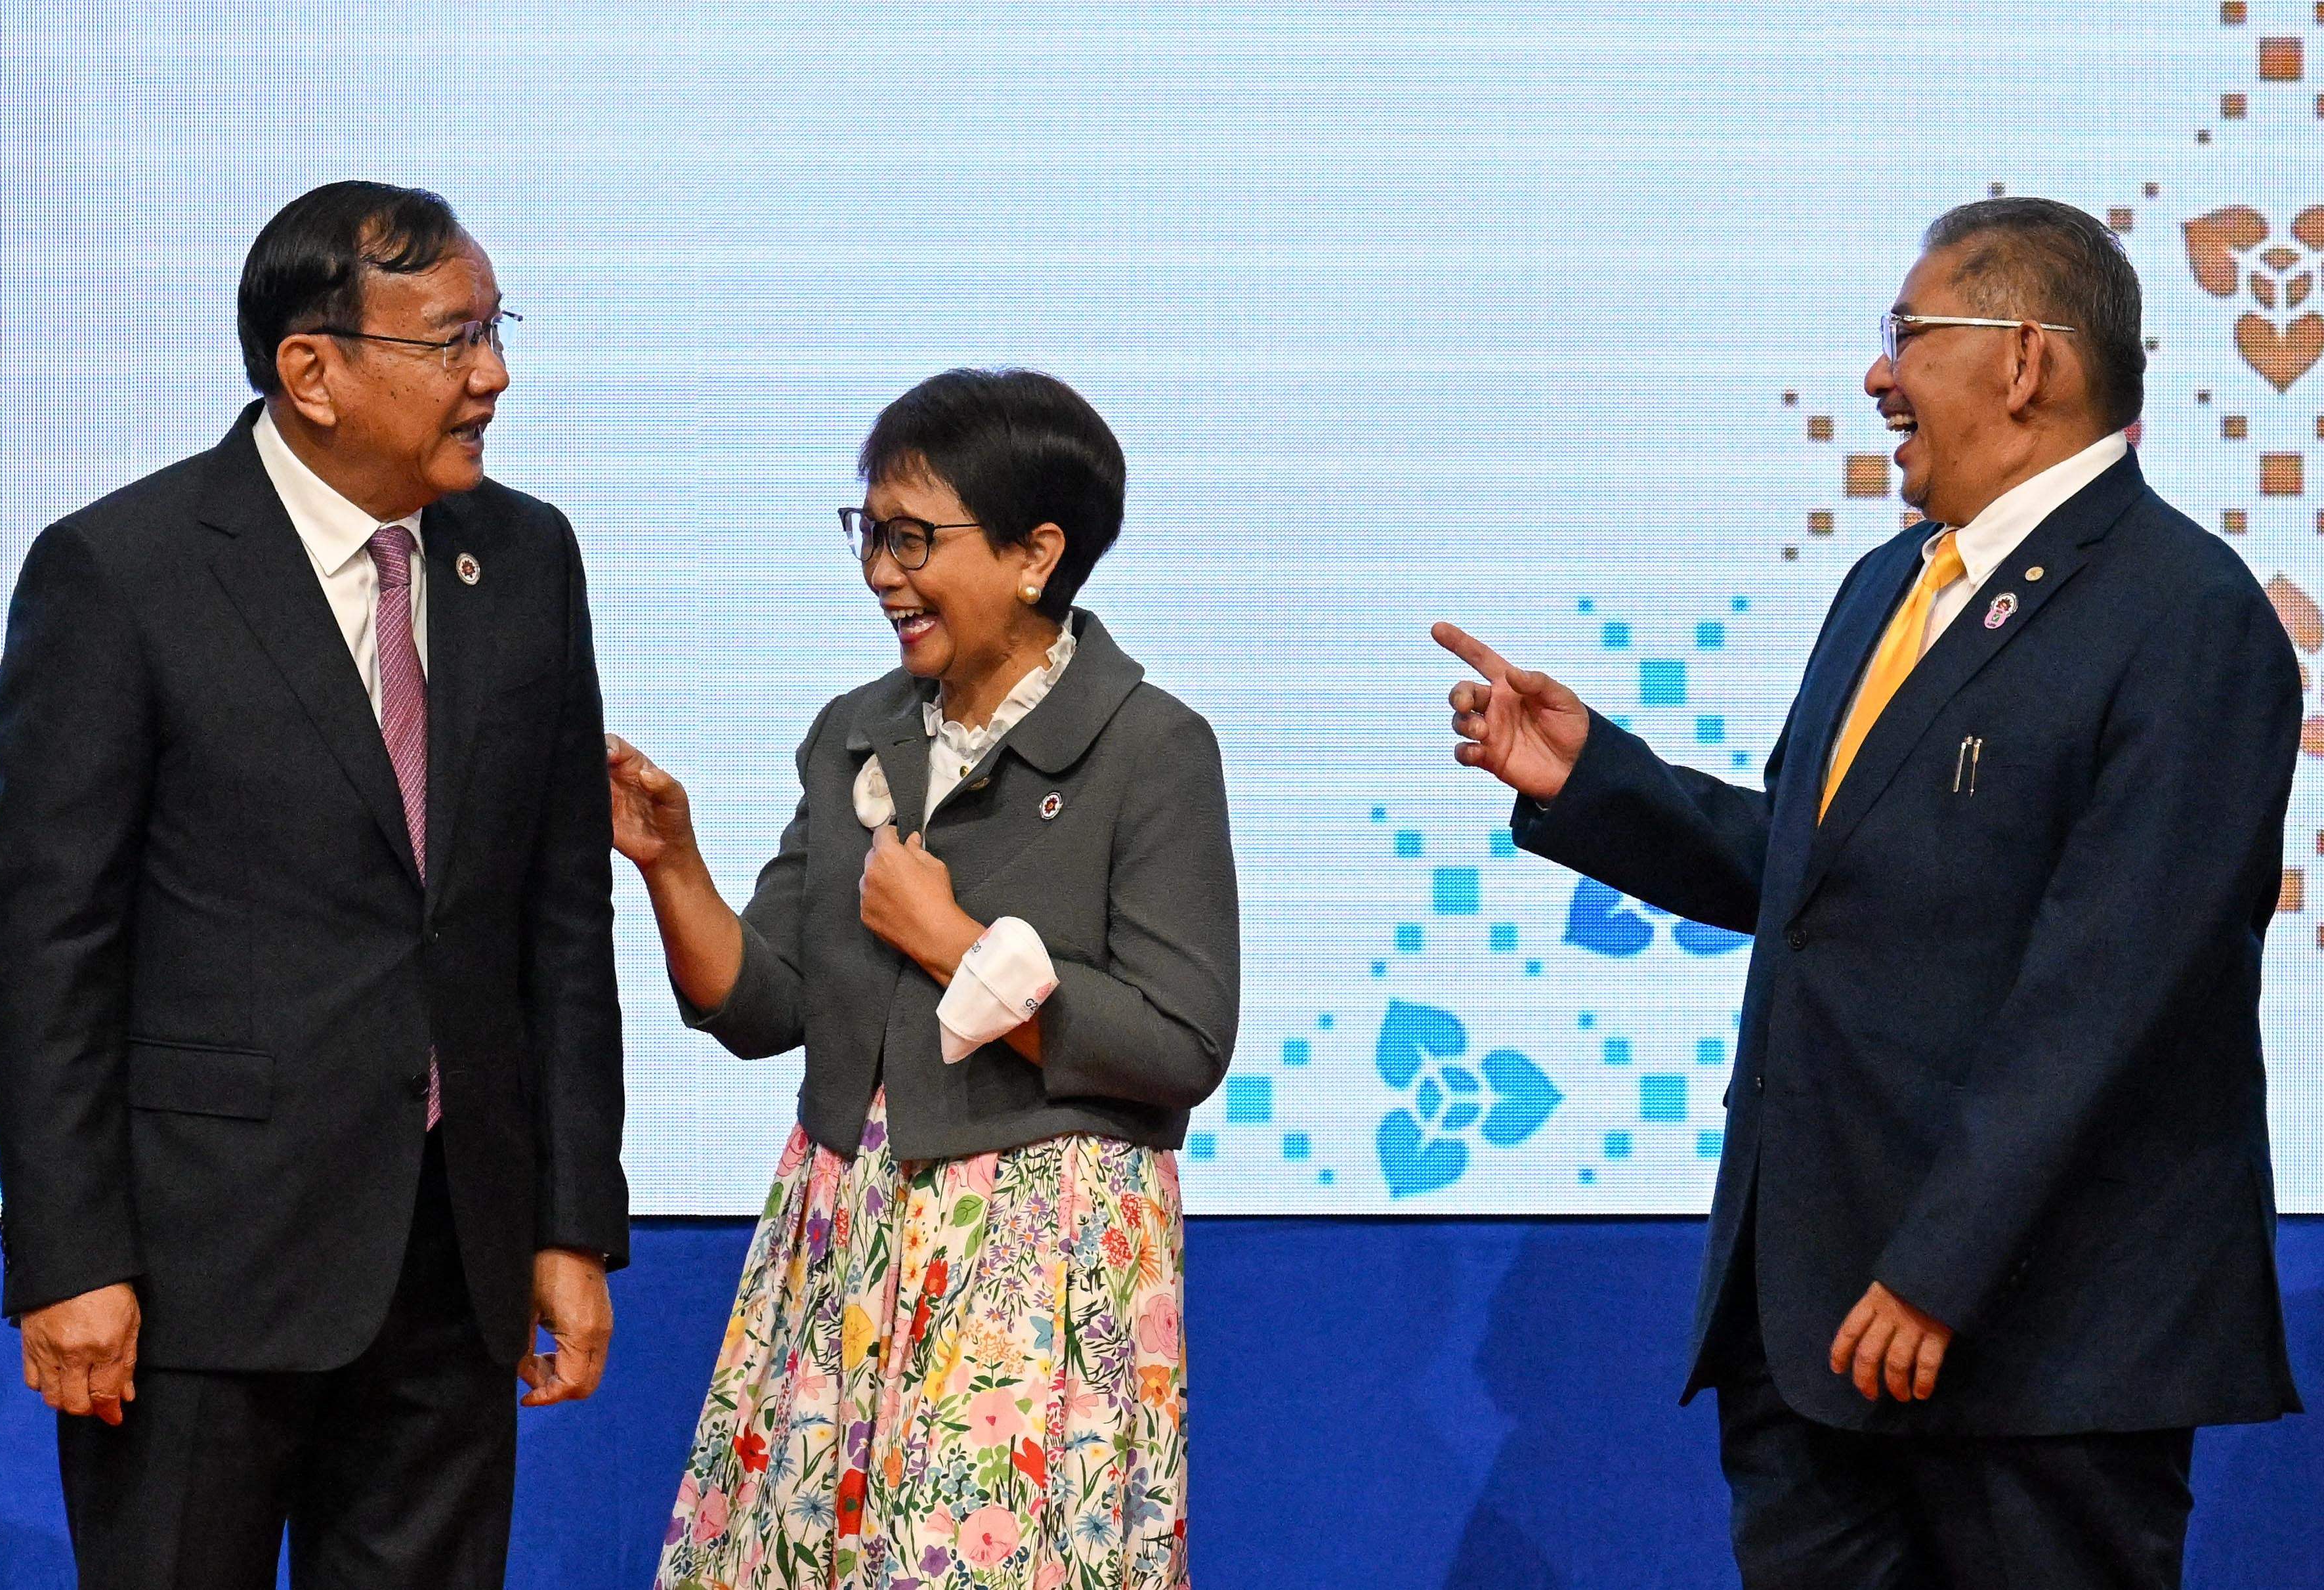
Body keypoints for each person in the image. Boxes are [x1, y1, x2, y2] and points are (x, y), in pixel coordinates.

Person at [1438, 197, 2302, 1588]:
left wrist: (1937, 1269)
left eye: (1906, 334)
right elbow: (1812, 873)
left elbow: (2115, 989)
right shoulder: (1882, 586)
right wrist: (1592, 779)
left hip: (2037, 1344)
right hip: (1812, 1328)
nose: (1875, 375)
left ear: (2023, 360)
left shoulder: (2185, 614)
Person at [0, 181, 627, 1589]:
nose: (492, 376)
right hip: (194, 1273)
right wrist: (69, 1256)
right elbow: (48, 946)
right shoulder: (123, 571)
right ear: (311, 370)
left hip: (452, 1263)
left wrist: (572, 1219)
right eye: (452, 340)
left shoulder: (527, 558)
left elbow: (562, 920)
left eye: (496, 330)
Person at [621, 367, 1238, 1589]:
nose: (880, 573)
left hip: (1038, 1245)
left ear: (1035, 554)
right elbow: (766, 1002)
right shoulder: (857, 730)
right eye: (869, 534)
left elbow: (1181, 1042)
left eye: (913, 540)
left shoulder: (1150, 746)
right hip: (841, 1228)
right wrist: (670, 864)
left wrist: (958, 943)